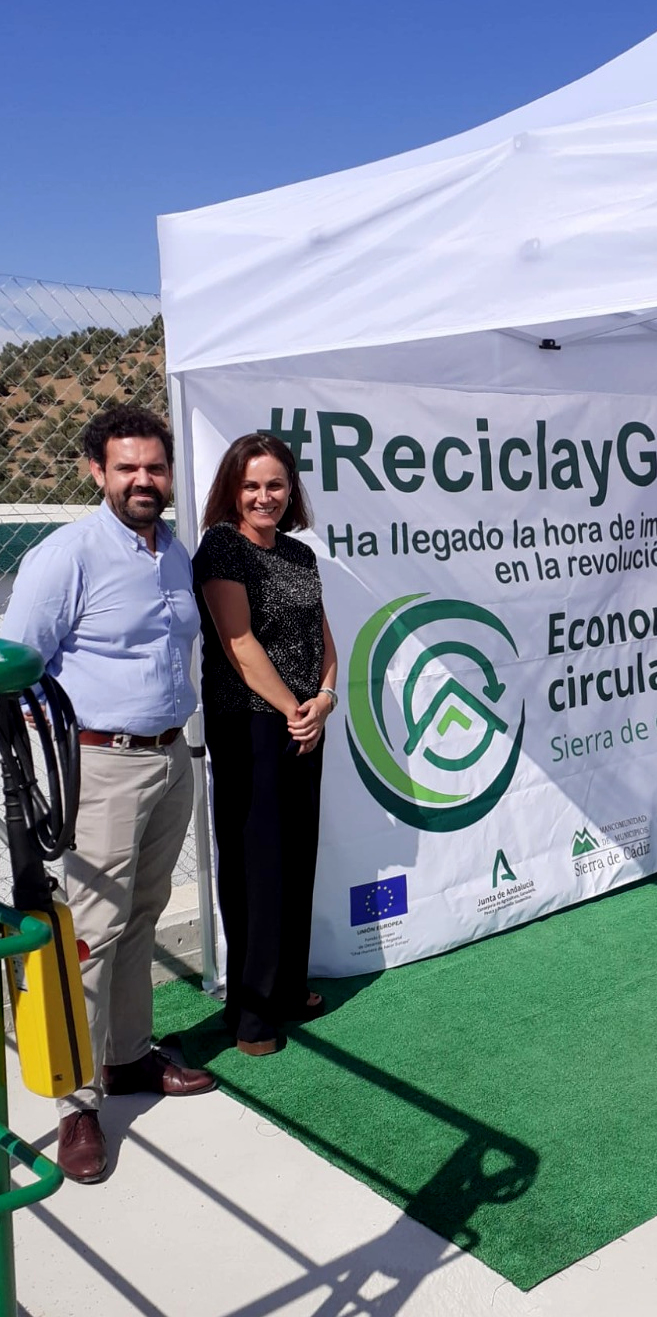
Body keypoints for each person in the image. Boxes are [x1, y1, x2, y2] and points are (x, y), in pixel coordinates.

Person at [2, 406, 215, 1185]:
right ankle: (77, 1105)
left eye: (154, 468)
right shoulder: (68, 557)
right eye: (127, 468)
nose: (143, 481)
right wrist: (49, 766)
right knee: (89, 935)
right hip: (101, 768)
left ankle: (128, 1059)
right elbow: (19, 669)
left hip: (170, 758)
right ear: (97, 472)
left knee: (143, 916)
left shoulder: (175, 554)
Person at [193, 433, 337, 1056]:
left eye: (274, 484)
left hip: (306, 723)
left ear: (290, 490)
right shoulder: (221, 548)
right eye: (251, 485)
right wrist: (292, 711)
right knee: (257, 864)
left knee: (297, 855)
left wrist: (324, 699)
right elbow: (239, 645)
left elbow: (325, 638)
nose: (263, 496)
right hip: (251, 725)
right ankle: (250, 1014)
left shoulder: (302, 555)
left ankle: (285, 987)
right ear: (231, 488)